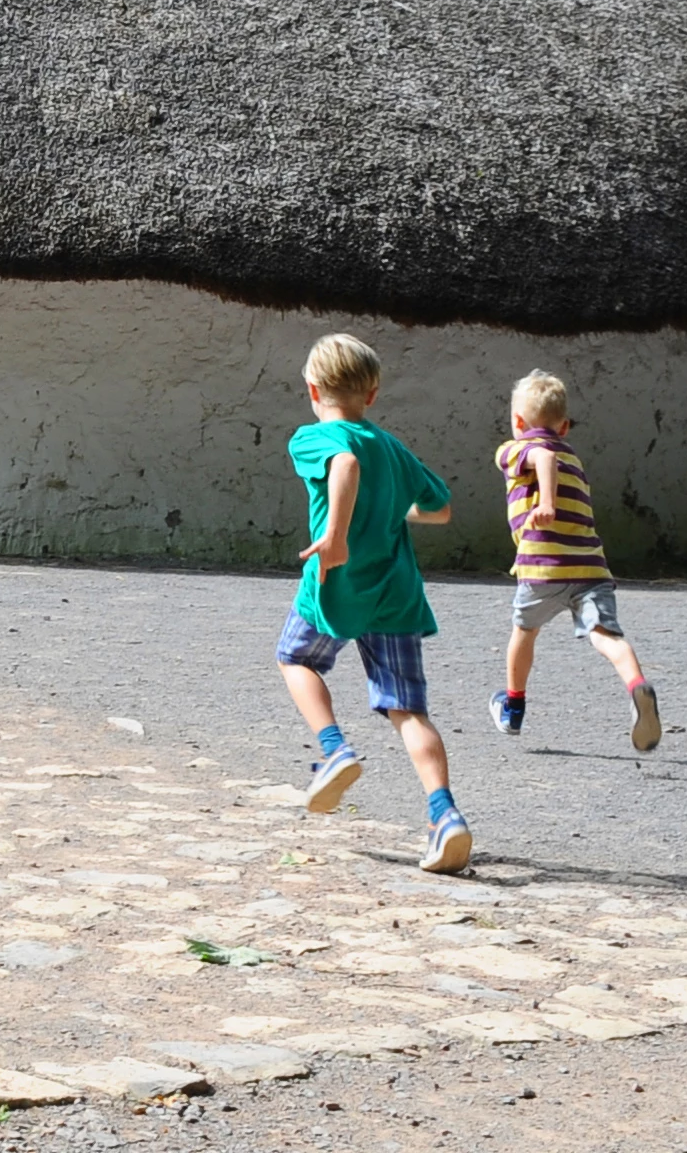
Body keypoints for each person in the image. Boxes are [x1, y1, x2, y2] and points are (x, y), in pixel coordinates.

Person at [277, 331, 471, 873]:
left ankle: (335, 748)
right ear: (374, 393)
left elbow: (344, 465)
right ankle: (444, 815)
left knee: (296, 658)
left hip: (337, 584)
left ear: (314, 389)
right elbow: (440, 509)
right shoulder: (393, 447)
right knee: (408, 710)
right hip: (395, 592)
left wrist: (336, 534)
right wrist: (394, 512)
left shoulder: (312, 437)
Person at [487, 370, 663, 752]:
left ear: (518, 422)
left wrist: (545, 503)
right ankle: (637, 685)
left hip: (543, 566)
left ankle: (513, 706)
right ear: (564, 426)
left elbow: (542, 455)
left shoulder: (514, 449)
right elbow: (553, 455)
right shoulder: (575, 459)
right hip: (589, 568)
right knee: (606, 636)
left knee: (524, 632)